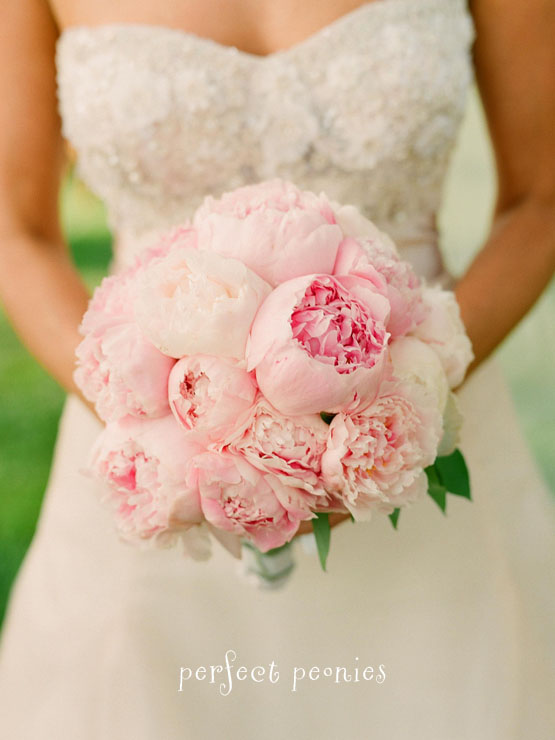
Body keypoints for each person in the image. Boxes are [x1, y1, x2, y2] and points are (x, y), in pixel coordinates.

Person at [0, 0, 554, 737]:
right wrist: (178, 435)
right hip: (153, 462)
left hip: (416, 451)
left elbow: (540, 196)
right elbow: (16, 227)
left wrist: (402, 398)